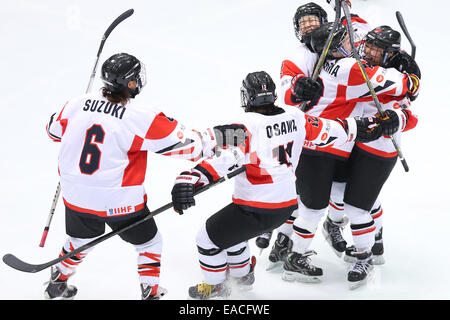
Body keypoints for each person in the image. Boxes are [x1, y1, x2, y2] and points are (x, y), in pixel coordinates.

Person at [170, 70, 385, 299]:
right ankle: (242, 276)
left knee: (206, 238)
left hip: (255, 209)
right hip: (286, 208)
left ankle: (215, 285)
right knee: (232, 235)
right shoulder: (296, 117)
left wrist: (190, 178)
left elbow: (220, 155)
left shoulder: (246, 126)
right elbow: (329, 130)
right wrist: (358, 126)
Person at [44, 52, 218, 300]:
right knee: (149, 244)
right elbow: (190, 148)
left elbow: (52, 131)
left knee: (80, 238)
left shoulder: (77, 103)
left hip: (76, 195)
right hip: (120, 200)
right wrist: (220, 140)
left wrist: (80, 108)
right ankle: (151, 292)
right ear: (130, 83)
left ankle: (58, 279)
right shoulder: (142, 115)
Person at [282, 22, 420, 288]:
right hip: (335, 142)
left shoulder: (336, 62)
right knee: (331, 204)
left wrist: (398, 119)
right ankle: (304, 250)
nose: (362, 48)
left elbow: (408, 113)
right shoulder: (353, 69)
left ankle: (368, 250)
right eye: (353, 43)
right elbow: (406, 88)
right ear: (335, 48)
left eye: (372, 47)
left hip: (364, 146)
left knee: (356, 206)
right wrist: (412, 77)